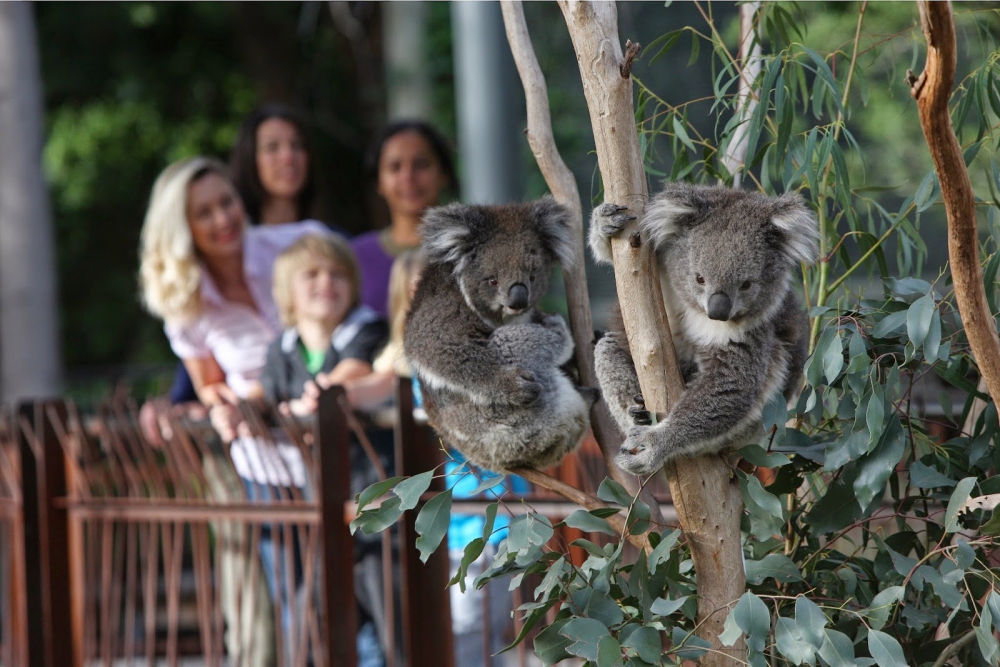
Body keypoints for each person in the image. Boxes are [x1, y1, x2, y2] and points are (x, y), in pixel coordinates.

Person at [138, 155, 331, 666]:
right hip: (263, 464)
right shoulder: (184, 300)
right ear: (183, 230)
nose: (223, 218)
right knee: (294, 596)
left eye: (227, 202)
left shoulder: (293, 245)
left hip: (337, 447)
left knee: (351, 589)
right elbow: (209, 388)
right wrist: (218, 404)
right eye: (205, 213)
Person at [249, 233, 389, 667]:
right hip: (323, 503)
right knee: (320, 616)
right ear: (288, 290)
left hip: (379, 500)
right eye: (312, 274)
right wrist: (234, 407)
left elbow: (355, 368)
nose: (326, 281)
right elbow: (263, 394)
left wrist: (326, 393)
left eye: (337, 273)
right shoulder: (283, 348)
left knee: (387, 618)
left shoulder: (365, 326)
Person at [352, 120, 456, 317]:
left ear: (444, 174)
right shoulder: (355, 257)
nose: (408, 176)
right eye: (394, 167)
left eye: (421, 164)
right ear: (379, 182)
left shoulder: (465, 252)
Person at [230, 103, 317, 226]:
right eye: (272, 147)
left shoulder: (330, 238)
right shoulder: (237, 242)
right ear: (249, 158)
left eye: (296, 145)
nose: (288, 157)